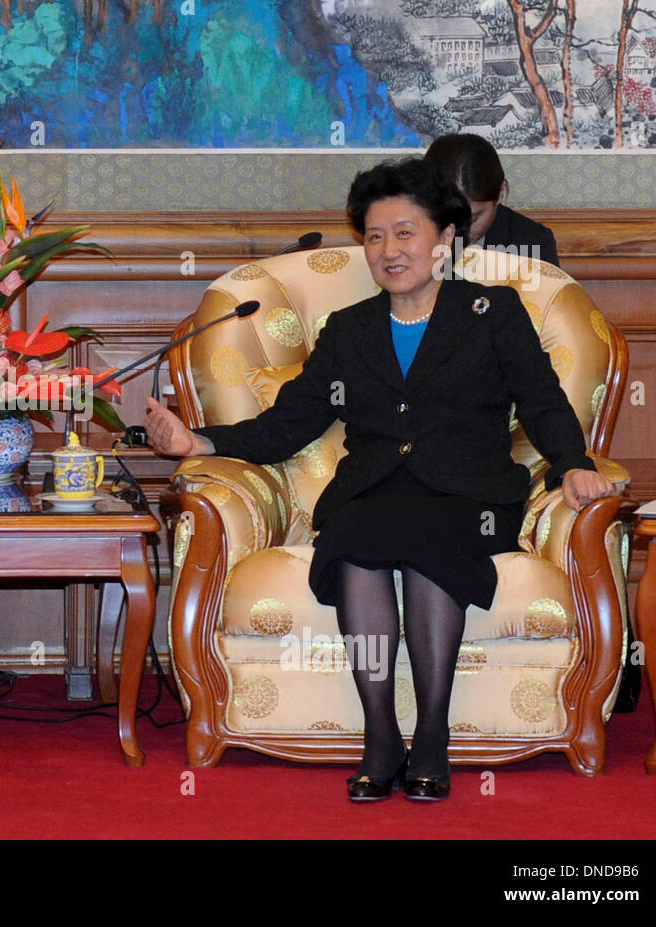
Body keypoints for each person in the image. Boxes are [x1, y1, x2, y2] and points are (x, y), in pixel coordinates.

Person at [145, 158, 614, 802]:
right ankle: (379, 734)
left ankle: (430, 736)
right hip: (370, 487)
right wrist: (198, 441)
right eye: (373, 235)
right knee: (356, 542)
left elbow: (542, 402)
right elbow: (291, 422)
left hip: (467, 493)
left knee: (430, 542)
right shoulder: (348, 330)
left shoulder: (493, 312)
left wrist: (574, 465)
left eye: (405, 232)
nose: (389, 250)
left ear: (444, 239)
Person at [423, 133, 559, 267]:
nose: (458, 230)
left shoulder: (533, 243)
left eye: (473, 219)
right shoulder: (410, 238)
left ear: (501, 193)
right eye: (448, 217)